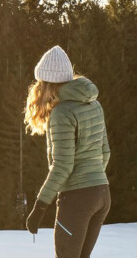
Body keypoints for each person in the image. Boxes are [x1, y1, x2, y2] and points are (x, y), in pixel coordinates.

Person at [23, 45, 109, 258]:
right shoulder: (94, 105)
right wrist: (92, 179)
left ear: (46, 84)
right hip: (102, 194)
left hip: (78, 199)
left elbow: (62, 165)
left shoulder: (62, 112)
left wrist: (39, 207)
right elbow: (105, 152)